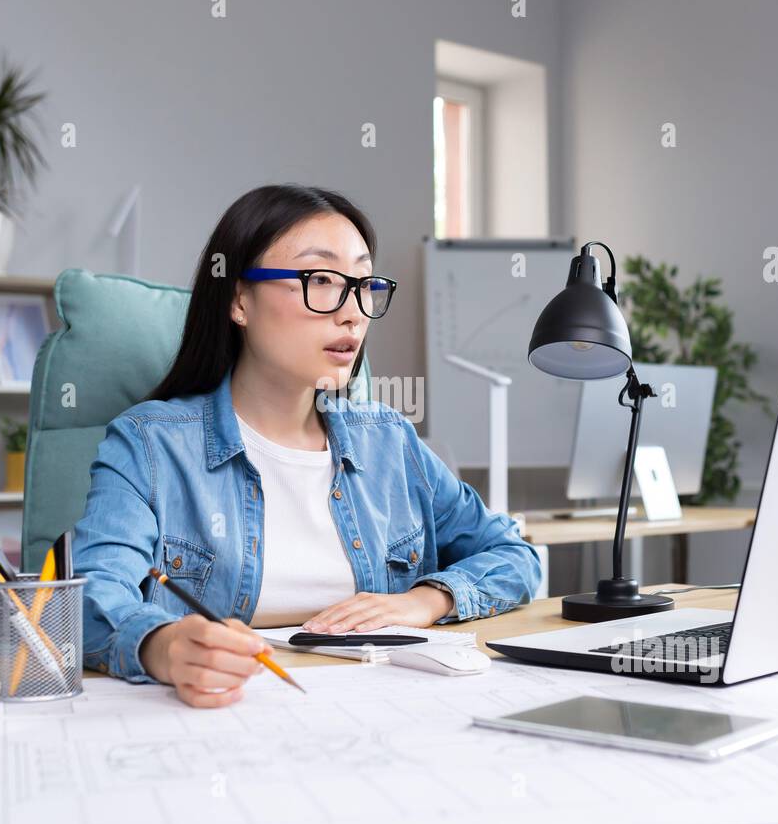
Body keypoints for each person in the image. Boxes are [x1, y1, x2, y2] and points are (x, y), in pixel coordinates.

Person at [74, 183, 541, 707]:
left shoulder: (389, 443)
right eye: (320, 279)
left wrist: (425, 600)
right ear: (239, 300)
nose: (353, 313)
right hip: (223, 714)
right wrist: (163, 647)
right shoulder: (150, 445)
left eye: (363, 284)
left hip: (387, 709)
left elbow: (513, 555)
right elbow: (89, 597)